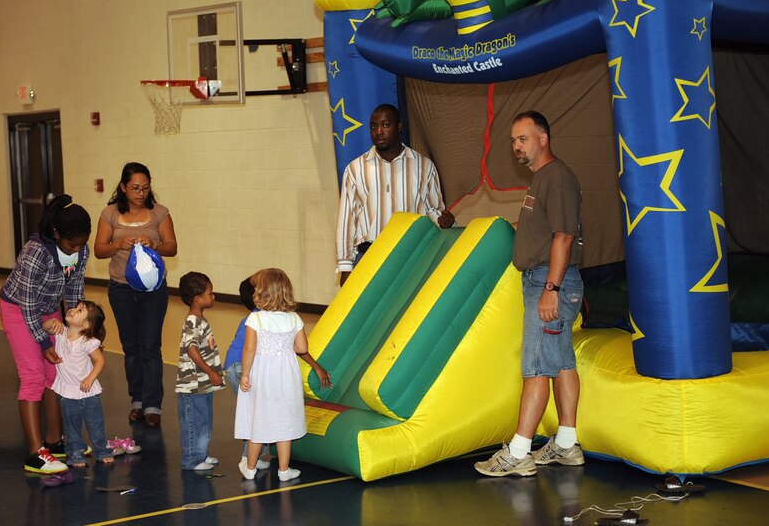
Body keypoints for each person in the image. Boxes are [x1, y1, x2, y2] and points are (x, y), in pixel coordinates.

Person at [475, 110, 585, 477]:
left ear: (543, 139)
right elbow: (545, 229)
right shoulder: (541, 180)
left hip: (549, 281)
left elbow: (564, 236)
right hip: (548, 279)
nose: (516, 146)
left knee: (535, 366)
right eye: (512, 141)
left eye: (522, 139)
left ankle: (519, 452)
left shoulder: (557, 178)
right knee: (562, 363)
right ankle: (567, 444)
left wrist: (551, 288)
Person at [0, 194, 91, 474]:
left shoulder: (80, 251)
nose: (77, 249)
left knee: (55, 374)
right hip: (18, 310)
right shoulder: (35, 251)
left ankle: (55, 442)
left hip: (49, 310)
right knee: (33, 377)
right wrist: (41, 341)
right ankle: (35, 453)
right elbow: (27, 303)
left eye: (82, 243)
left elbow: (75, 292)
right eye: (72, 244)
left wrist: (80, 328)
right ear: (56, 234)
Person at [94, 162, 177, 428]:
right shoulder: (109, 214)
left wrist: (155, 244)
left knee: (150, 345)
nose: (140, 193)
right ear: (123, 187)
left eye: (145, 188)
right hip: (121, 288)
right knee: (131, 347)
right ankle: (137, 402)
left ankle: (153, 405)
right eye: (134, 188)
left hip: (153, 290)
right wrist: (118, 244)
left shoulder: (159, 213)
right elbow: (99, 250)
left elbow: (172, 247)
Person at [336, 103, 455, 285]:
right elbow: (347, 221)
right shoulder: (355, 169)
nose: (379, 131)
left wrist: (446, 221)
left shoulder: (424, 166)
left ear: (399, 126)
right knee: (373, 312)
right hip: (370, 256)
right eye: (374, 126)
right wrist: (345, 266)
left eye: (385, 125)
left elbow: (433, 210)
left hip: (413, 256)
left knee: (408, 311)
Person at [224, 275, 331, 466]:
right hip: (249, 366)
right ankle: (251, 460)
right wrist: (317, 366)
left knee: (258, 412)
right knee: (264, 415)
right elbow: (301, 349)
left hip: (242, 365)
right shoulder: (280, 318)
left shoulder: (255, 317)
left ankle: (251, 461)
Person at [234, 268, 308, 482]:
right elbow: (302, 347)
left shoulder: (255, 319)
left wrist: (245, 375)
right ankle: (284, 470)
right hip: (287, 376)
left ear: (261, 292)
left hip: (263, 374)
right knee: (284, 420)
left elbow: (248, 350)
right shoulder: (294, 318)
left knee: (260, 420)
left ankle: (250, 467)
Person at [46, 300, 115, 467]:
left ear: (85, 324)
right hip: (68, 391)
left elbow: (100, 360)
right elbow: (45, 326)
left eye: (79, 310)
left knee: (95, 423)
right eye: (75, 307)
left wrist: (90, 378)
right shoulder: (61, 332)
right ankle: (76, 454)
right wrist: (51, 322)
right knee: (71, 426)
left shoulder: (87, 341)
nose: (72, 310)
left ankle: (102, 450)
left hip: (88, 392)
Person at [176, 271, 226, 471]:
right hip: (192, 385)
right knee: (193, 422)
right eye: (210, 293)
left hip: (202, 384)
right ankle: (192, 459)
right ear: (198, 299)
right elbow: (191, 349)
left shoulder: (200, 320)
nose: (213, 296)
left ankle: (201, 453)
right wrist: (211, 372)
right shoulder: (192, 322)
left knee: (204, 419)